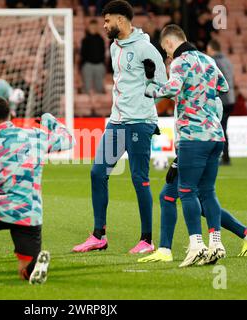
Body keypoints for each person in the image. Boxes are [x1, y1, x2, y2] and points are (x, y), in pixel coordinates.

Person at [73, 1, 166, 254]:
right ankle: (98, 236)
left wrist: (147, 95)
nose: (104, 25)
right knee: (97, 172)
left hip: (140, 123)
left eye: (107, 21)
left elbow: (164, 84)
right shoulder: (114, 47)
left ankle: (147, 240)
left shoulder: (147, 48)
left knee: (139, 179)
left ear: (121, 21)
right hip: (116, 121)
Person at [0, 97, 74, 283]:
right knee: (25, 270)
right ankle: (35, 266)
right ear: (9, 115)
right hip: (30, 214)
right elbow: (69, 140)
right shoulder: (35, 136)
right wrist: (49, 120)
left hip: (1, 209)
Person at [138, 99, 247, 263]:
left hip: (193, 152)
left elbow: (198, 132)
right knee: (203, 202)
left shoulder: (193, 95)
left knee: (168, 196)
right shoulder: (208, 96)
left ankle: (167, 249)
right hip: (202, 149)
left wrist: (178, 159)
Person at [145, 24, 228, 267]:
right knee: (208, 191)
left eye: (165, 50)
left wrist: (149, 89)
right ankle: (216, 243)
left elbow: (172, 88)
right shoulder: (209, 60)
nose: (167, 56)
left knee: (186, 191)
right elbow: (224, 87)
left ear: (170, 43)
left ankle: (196, 245)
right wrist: (202, 93)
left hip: (193, 135)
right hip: (216, 134)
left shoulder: (180, 62)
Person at [207, 39, 235, 165]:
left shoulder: (214, 61)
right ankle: (225, 156)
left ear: (212, 48)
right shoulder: (227, 61)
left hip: (222, 99)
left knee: (219, 128)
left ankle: (222, 157)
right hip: (231, 98)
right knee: (223, 127)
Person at [80, 19, 106, 94]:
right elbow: (82, 54)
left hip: (99, 65)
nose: (93, 28)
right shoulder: (85, 40)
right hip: (88, 65)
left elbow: (103, 53)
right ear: (89, 28)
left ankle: (99, 104)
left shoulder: (101, 40)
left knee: (99, 88)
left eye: (95, 27)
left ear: (97, 28)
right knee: (86, 88)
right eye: (92, 27)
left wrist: (102, 64)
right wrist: (83, 65)